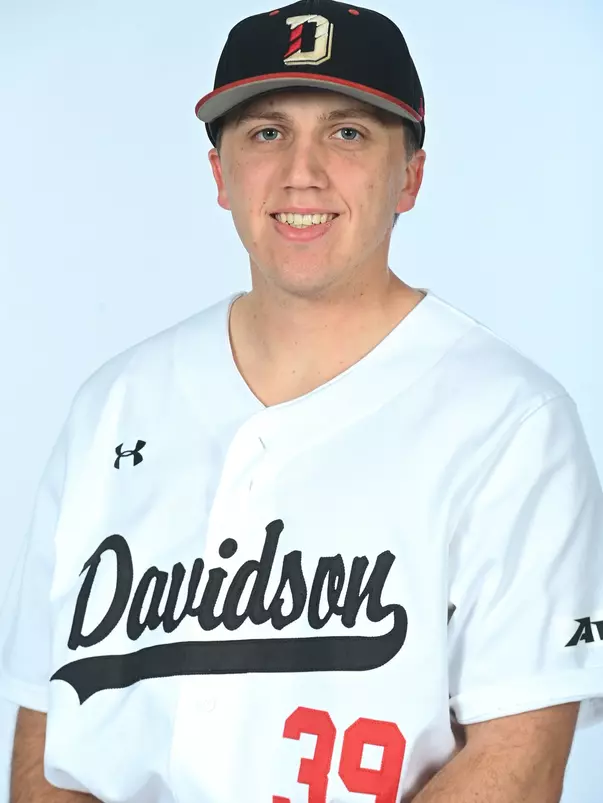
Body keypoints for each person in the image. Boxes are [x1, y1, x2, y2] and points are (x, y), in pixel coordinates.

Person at [2, 0, 603, 801]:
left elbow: (517, 763)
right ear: (219, 174)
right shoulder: (112, 405)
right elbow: (50, 734)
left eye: (347, 133)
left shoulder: (513, 422)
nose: (302, 173)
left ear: (410, 176)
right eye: (266, 132)